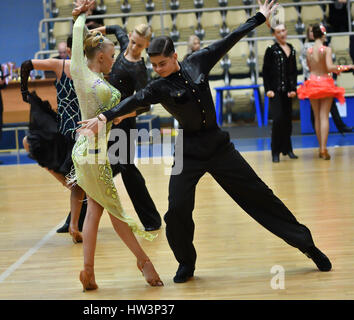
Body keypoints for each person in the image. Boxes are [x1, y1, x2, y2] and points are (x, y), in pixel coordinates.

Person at [80, 0, 333, 283]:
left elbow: (230, 38)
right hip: (187, 150)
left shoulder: (199, 61)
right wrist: (104, 118)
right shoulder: (158, 86)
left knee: (261, 196)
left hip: (218, 146)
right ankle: (186, 263)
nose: (158, 69)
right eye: (154, 65)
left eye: (162, 63)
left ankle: (307, 246)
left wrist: (259, 18)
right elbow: (135, 100)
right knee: (176, 209)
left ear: (175, 56)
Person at [70, 0, 163, 291]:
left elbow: (76, 41)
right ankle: (143, 262)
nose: (114, 61)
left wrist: (80, 17)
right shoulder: (106, 90)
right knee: (118, 213)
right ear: (99, 58)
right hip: (97, 156)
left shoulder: (79, 71)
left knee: (96, 209)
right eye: (111, 57)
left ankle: (89, 271)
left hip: (81, 152)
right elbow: (121, 111)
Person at [90, 22, 162, 231]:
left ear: (146, 45)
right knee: (106, 170)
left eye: (139, 45)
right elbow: (115, 27)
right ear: (129, 37)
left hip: (124, 124)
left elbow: (144, 105)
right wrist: (93, 32)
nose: (133, 47)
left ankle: (152, 220)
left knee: (125, 169)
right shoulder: (123, 45)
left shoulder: (139, 69)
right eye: (132, 42)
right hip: (109, 119)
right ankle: (75, 218)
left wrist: (123, 115)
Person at [20, 36, 87, 243]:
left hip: (82, 131)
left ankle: (74, 225)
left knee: (79, 185)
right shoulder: (60, 65)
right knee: (28, 142)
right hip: (62, 128)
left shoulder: (91, 69)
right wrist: (24, 90)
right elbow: (26, 64)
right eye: (73, 48)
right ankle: (67, 184)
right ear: (67, 50)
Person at [297, 24, 354, 160]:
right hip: (325, 82)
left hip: (312, 82)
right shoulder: (326, 49)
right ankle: (323, 148)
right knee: (324, 116)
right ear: (323, 35)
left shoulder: (309, 51)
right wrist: (345, 67)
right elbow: (329, 67)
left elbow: (309, 67)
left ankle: (320, 148)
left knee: (317, 116)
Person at [262, 24, 299, 163]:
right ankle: (275, 151)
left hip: (288, 92)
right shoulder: (271, 50)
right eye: (279, 32)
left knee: (288, 121)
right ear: (274, 35)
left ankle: (288, 149)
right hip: (275, 91)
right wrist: (268, 90)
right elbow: (265, 72)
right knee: (278, 120)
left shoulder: (292, 49)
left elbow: (293, 72)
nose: (282, 33)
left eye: (284, 30)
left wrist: (293, 89)